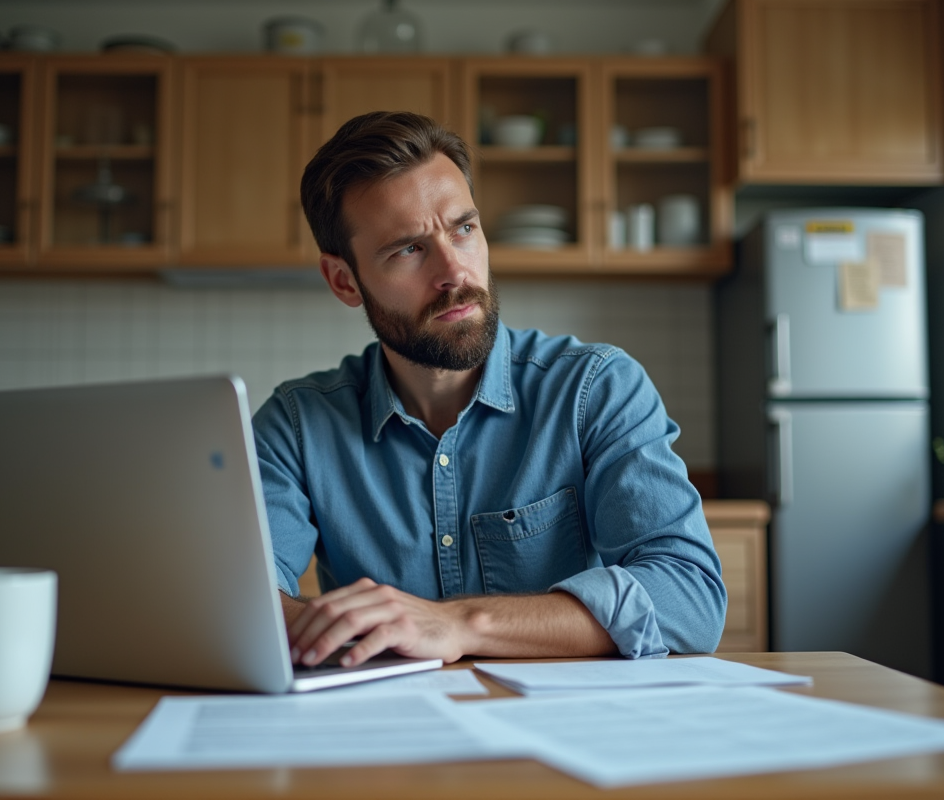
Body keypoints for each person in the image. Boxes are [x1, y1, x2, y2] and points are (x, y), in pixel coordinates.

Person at [252, 110, 725, 670]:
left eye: (464, 229)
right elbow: (237, 601)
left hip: (571, 734)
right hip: (392, 738)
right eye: (407, 248)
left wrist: (460, 624)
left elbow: (691, 600)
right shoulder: (295, 425)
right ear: (344, 281)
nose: (454, 270)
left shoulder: (597, 388)